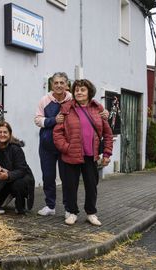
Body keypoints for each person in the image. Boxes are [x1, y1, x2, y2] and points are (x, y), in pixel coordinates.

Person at [53, 79, 113, 226]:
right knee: (70, 186)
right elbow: (57, 133)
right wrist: (66, 148)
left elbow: (108, 134)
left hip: (91, 155)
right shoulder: (66, 108)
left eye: (83, 90)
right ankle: (72, 212)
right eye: (77, 90)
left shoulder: (97, 109)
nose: (79, 92)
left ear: (89, 92)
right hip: (71, 155)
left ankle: (91, 213)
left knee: (91, 186)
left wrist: (106, 154)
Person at [34, 72, 72, 216]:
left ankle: (69, 208)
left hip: (65, 147)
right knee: (48, 177)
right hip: (47, 146)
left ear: (67, 85)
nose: (59, 85)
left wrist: (103, 112)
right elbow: (37, 120)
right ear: (52, 84)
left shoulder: (72, 100)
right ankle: (50, 206)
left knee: (67, 178)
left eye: (62, 82)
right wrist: (53, 120)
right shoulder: (44, 100)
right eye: (56, 83)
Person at [0, 121, 35, 214]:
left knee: (18, 184)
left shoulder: (16, 148)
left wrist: (8, 175)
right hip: (4, 180)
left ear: (9, 134)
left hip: (21, 178)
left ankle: (20, 205)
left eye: (5, 132)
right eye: (0, 132)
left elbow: (22, 170)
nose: (2, 134)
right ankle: (9, 195)